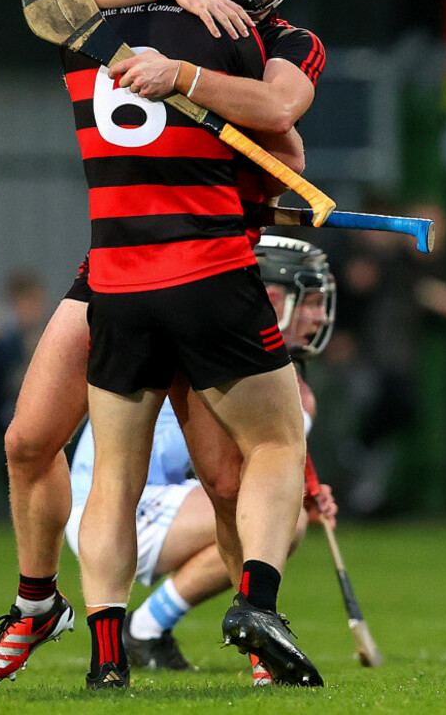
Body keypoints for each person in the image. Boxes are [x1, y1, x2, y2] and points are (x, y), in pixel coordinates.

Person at [0, 0, 324, 691]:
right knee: (28, 442)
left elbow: (282, 131)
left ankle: (255, 632)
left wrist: (185, 75)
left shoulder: (283, 41)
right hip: (122, 262)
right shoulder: (151, 6)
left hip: (204, 254)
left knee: (228, 479)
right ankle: (36, 604)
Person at [64, 234, 338, 686]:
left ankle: (136, 638)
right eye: (309, 301)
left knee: (266, 509)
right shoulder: (213, 347)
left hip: (143, 497)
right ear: (271, 299)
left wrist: (301, 483)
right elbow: (220, 463)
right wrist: (291, 488)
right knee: (279, 519)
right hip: (129, 502)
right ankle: (148, 628)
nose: (321, 316)